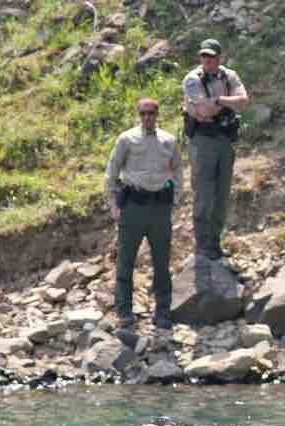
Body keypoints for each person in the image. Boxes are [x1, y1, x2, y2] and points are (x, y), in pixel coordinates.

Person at [104, 97, 183, 330]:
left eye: (151, 113)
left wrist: (175, 199)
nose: (147, 117)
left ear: (157, 114)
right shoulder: (127, 139)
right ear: (138, 115)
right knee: (126, 261)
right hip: (133, 208)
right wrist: (113, 202)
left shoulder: (169, 140)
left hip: (160, 207)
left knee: (162, 262)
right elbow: (112, 171)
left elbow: (178, 169)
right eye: (143, 113)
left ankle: (163, 312)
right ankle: (124, 311)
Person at [182, 38, 249, 261]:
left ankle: (215, 241)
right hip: (203, 140)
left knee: (222, 194)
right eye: (204, 57)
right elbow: (203, 109)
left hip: (225, 139)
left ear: (219, 58)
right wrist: (226, 102)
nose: (207, 61)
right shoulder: (193, 79)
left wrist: (218, 100)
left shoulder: (229, 75)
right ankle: (202, 244)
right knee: (203, 193)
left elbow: (243, 101)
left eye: (211, 57)